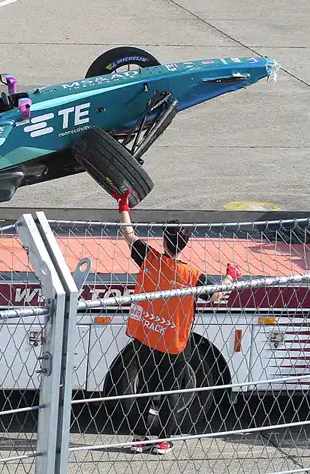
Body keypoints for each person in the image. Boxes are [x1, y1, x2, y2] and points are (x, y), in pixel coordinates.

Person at [114, 189, 241, 455]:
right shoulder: (191, 275)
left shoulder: (149, 259)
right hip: (173, 343)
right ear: (184, 244)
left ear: (163, 241)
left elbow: (129, 235)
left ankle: (139, 437)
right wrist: (231, 276)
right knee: (173, 388)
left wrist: (123, 206)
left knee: (145, 387)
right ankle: (163, 439)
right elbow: (217, 295)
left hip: (145, 336)